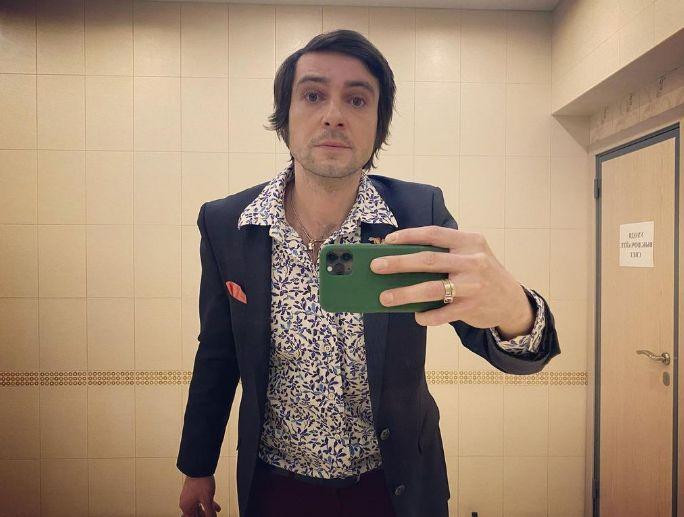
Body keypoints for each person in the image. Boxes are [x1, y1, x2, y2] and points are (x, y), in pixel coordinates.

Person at [176, 29, 560, 517]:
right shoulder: (227, 223)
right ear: (284, 117)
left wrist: (516, 312)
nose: (334, 114)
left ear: (378, 126)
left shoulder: (417, 213)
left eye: (357, 100)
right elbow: (217, 352)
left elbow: (485, 331)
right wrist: (197, 466)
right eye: (313, 95)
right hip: (276, 486)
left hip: (395, 486)